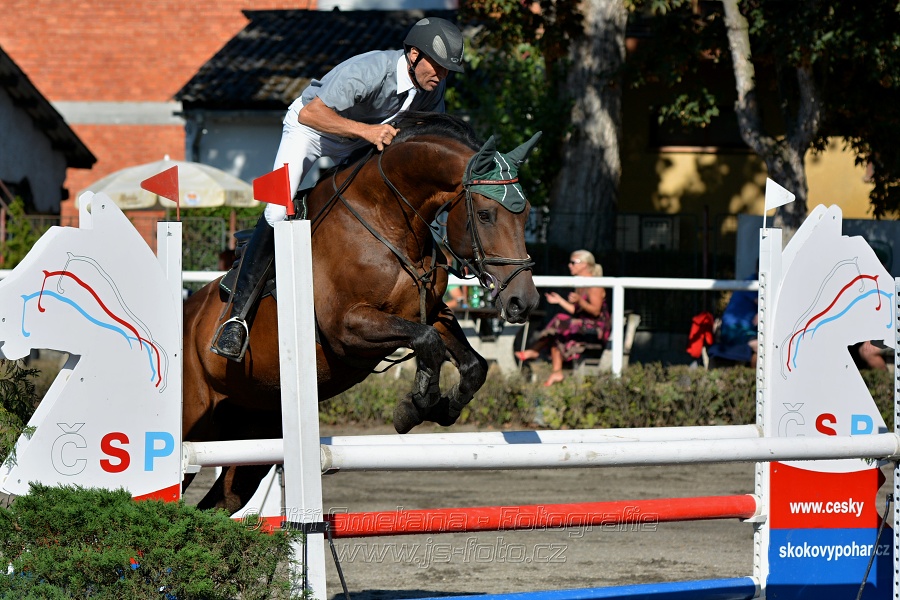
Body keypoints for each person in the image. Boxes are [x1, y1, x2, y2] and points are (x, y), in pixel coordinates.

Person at [210, 17, 466, 361]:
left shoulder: (432, 90)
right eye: (438, 66)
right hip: (312, 131)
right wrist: (367, 132)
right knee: (275, 210)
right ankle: (237, 318)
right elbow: (312, 114)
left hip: (358, 142)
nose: (442, 75)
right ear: (415, 55)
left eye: (448, 70)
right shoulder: (369, 70)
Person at [515, 250, 611, 386]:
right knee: (557, 336)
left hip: (596, 329)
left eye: (573, 262)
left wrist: (580, 301)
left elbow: (595, 312)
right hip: (583, 325)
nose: (569, 266)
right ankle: (556, 371)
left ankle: (535, 350)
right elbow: (575, 310)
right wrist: (560, 301)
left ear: (585, 264)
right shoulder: (580, 284)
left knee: (560, 320)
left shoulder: (594, 284)